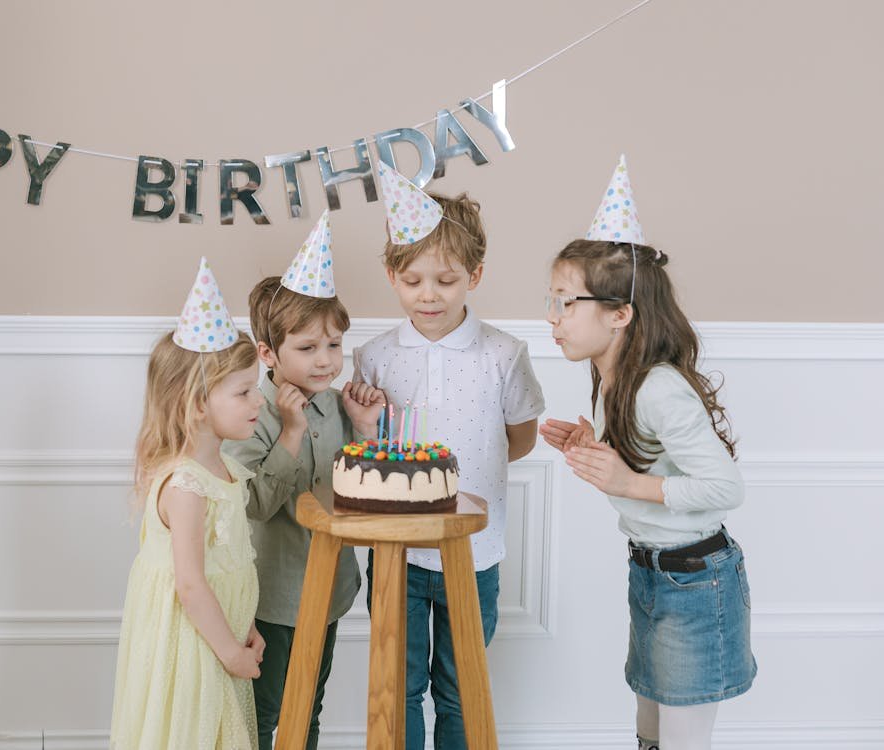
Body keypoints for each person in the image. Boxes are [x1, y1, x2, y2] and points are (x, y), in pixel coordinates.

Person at [540, 157, 756, 750]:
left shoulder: (658, 386)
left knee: (682, 741)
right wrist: (596, 447)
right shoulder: (613, 377)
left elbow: (724, 488)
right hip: (652, 573)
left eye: (566, 303)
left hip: (695, 581)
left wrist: (627, 481)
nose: (551, 318)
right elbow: (651, 466)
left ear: (619, 314)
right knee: (651, 736)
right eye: (551, 301)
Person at [353, 163, 545, 749]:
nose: (428, 295)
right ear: (392, 276)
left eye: (446, 280)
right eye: (412, 281)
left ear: (475, 276)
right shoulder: (374, 357)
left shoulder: (503, 354)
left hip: (474, 552)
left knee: (461, 686)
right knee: (399, 683)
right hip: (397, 554)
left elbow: (520, 437)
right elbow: (363, 450)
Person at [225, 212, 385, 750]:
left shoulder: (337, 407)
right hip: (272, 598)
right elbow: (253, 506)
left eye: (334, 346)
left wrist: (362, 428)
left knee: (308, 707)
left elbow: (360, 493)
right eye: (308, 348)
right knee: (265, 711)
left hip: (328, 588)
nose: (326, 361)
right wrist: (290, 433)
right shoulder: (250, 413)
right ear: (268, 354)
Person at [110, 258, 266, 750]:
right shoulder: (186, 486)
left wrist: (248, 626)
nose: (258, 402)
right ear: (200, 403)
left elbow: (230, 564)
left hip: (221, 635)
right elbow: (192, 584)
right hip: (193, 644)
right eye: (244, 392)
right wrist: (229, 653)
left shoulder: (222, 471)